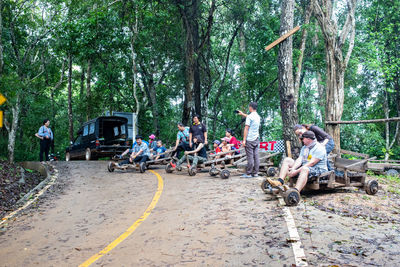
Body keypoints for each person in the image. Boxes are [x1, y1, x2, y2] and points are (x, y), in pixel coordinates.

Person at [237, 102, 261, 178]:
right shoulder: (258, 116)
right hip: (256, 138)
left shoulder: (250, 117)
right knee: (256, 156)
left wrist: (244, 140)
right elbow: (249, 117)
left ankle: (249, 173)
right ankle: (255, 173)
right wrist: (242, 114)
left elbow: (246, 128)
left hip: (250, 139)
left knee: (250, 156)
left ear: (250, 107)